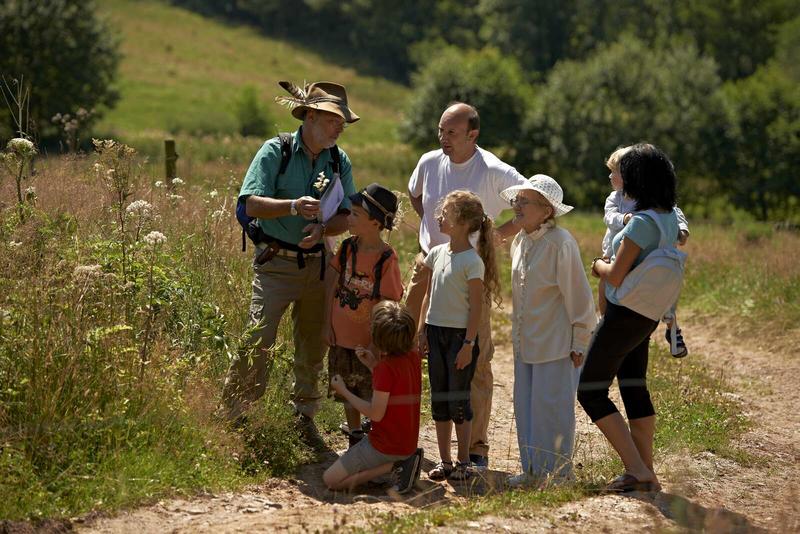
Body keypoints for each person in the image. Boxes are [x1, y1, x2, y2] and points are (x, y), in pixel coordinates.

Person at [221, 81, 358, 446]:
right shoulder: (275, 150)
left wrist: (324, 228)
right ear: (311, 116)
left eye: (342, 121)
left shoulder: (338, 159)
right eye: (334, 120)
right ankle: (236, 418)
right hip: (276, 264)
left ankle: (304, 420)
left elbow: (349, 215)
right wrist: (294, 206)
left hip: (318, 265)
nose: (340, 127)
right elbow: (250, 203)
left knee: (314, 345)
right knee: (258, 337)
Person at [406, 102, 526, 468]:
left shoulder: (492, 169)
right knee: (406, 344)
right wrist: (431, 230)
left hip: (470, 273)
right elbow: (415, 194)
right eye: (440, 131)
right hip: (428, 265)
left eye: (451, 133)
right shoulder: (428, 162)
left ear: (473, 134)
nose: (443, 138)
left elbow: (531, 202)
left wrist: (496, 236)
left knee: (475, 360)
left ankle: (475, 449)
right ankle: (396, 432)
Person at [578, 143, 681, 493]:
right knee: (634, 386)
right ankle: (646, 470)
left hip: (624, 313)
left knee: (590, 391)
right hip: (647, 315)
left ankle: (637, 469)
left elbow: (616, 273)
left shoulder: (640, 223)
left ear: (637, 178)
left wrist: (596, 265)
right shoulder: (667, 217)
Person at [499, 175, 597, 488]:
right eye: (517, 200)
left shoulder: (561, 243)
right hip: (526, 342)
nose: (517, 205)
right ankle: (531, 472)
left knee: (553, 409)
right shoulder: (520, 241)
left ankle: (557, 476)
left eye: (525, 201)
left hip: (556, 344)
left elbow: (580, 297)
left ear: (546, 210)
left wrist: (580, 341)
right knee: (526, 406)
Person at [418, 190, 500, 481]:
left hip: (459, 340)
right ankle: (446, 461)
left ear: (463, 222)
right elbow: (428, 295)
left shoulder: (472, 262)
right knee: (439, 399)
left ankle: (465, 461)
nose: (439, 217)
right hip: (436, 333)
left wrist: (468, 344)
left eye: (446, 214)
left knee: (459, 401)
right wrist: (422, 330)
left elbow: (476, 307)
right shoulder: (437, 254)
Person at [323, 183, 404, 447]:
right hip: (340, 337)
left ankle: (379, 441)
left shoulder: (386, 259)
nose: (348, 218)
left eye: (355, 214)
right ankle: (355, 435)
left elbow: (389, 304)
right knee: (346, 390)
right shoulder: (347, 248)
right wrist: (326, 324)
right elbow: (331, 286)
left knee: (371, 392)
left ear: (375, 222)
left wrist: (375, 344)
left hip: (368, 344)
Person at [600, 146, 691, 357]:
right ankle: (605, 322)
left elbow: (676, 212)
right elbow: (608, 216)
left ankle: (672, 326)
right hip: (615, 252)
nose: (610, 176)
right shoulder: (615, 198)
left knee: (665, 291)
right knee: (604, 285)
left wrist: (683, 230)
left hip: (646, 255)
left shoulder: (654, 199)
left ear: (633, 175)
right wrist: (623, 219)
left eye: (616, 171)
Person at [324, 301, 424, 494]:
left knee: (331, 480)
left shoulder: (386, 369)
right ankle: (402, 463)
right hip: (406, 443)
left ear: (378, 337)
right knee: (366, 474)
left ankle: (395, 467)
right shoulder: (412, 357)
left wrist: (344, 391)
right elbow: (394, 388)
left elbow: (375, 414)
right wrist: (373, 365)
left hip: (383, 445)